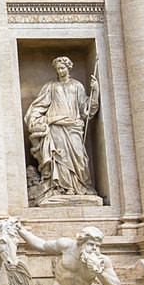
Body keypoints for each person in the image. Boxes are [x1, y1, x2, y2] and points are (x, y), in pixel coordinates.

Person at [25, 57, 100, 199]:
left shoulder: (77, 86)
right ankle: (63, 188)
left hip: (73, 126)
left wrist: (95, 91)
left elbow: (86, 108)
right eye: (58, 69)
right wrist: (34, 119)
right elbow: (40, 105)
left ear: (68, 68)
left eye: (62, 68)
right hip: (56, 126)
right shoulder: (50, 86)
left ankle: (79, 185)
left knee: (79, 156)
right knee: (60, 157)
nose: (60, 71)